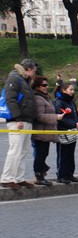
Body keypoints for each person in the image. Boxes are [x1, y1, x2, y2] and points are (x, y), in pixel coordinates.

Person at [0, 59, 37, 190]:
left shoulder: (23, 80)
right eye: (34, 70)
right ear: (28, 68)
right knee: (15, 149)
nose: (34, 73)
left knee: (23, 150)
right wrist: (18, 118)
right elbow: (11, 99)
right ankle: (6, 178)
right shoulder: (15, 78)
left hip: (25, 120)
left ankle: (18, 178)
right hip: (18, 121)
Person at [31, 76, 62, 186]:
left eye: (47, 84)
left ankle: (41, 174)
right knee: (40, 155)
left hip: (46, 132)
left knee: (44, 154)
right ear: (38, 87)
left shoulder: (44, 97)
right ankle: (39, 176)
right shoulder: (38, 99)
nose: (47, 87)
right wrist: (55, 117)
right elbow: (39, 116)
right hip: (41, 132)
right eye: (44, 85)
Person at [53, 82, 78, 184]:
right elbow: (60, 119)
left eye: (73, 89)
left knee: (70, 154)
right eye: (71, 89)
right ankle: (61, 175)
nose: (73, 91)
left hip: (71, 132)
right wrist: (74, 125)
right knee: (63, 154)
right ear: (64, 90)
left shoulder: (71, 101)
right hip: (63, 132)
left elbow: (76, 113)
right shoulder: (59, 102)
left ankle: (70, 174)